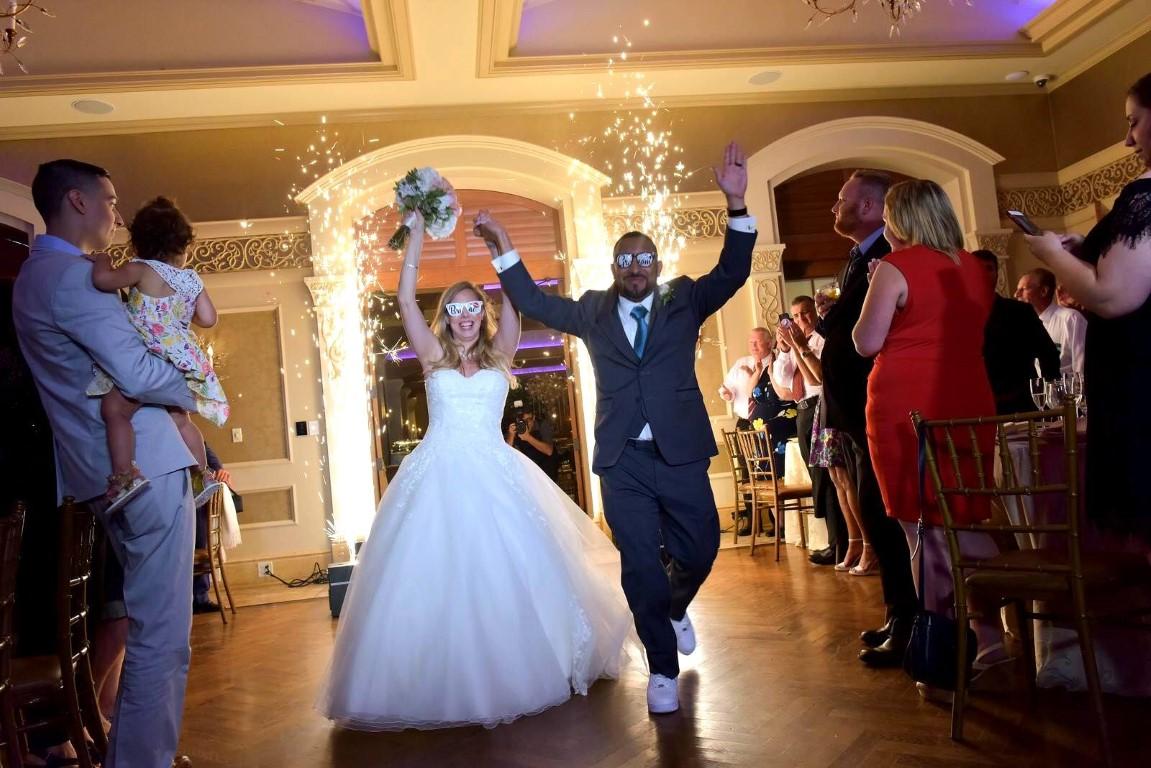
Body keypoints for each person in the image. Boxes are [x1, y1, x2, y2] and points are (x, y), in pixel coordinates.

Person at [317, 211, 633, 730]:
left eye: (472, 307)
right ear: (445, 315)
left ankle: (523, 665)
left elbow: (517, 299)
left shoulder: (501, 353)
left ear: (481, 313)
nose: (465, 315)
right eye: (455, 308)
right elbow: (403, 301)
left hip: (496, 474)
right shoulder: (432, 356)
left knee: (511, 574)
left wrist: (499, 247)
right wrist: (416, 237)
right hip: (435, 477)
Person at [490, 141, 755, 714]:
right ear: (614, 268)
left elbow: (734, 271)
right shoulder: (591, 310)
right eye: (625, 260)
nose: (635, 267)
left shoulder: (685, 298)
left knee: (701, 547)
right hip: (623, 459)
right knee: (638, 564)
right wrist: (505, 249)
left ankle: (675, 607)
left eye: (644, 259)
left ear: (656, 265)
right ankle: (662, 669)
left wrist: (735, 202)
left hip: (680, 451)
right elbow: (533, 299)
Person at [12, 159, 199, 766]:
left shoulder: (32, 277)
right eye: (111, 201)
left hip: (101, 471)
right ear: (78, 201)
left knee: (150, 629)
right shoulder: (70, 279)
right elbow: (138, 372)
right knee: (162, 637)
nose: (118, 214)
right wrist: (200, 384)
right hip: (145, 468)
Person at [853, 179, 1006, 680]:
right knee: (961, 518)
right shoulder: (974, 267)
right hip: (968, 397)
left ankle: (943, 649)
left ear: (899, 219)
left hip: (906, 404)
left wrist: (880, 282)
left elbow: (865, 342)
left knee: (921, 528)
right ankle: (990, 637)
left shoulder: (896, 266)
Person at [1024, 72, 1151, 549]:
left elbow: (1113, 297)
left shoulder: (1146, 196)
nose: (1128, 139)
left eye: (1134, 122)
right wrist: (1089, 248)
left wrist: (1050, 255)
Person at [820, 169, 918, 667]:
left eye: (842, 200)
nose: (833, 207)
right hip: (856, 411)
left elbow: (870, 335)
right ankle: (897, 613)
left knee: (885, 514)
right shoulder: (858, 258)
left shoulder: (887, 257)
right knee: (874, 511)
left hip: (876, 404)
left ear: (869, 208)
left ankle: (909, 622)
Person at [86, 196, 228, 511]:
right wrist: (181, 311)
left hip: (147, 355)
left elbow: (103, 281)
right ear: (183, 245)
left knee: (115, 411)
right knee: (181, 420)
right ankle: (202, 474)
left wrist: (101, 260)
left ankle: (125, 475)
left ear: (139, 244)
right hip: (179, 361)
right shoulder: (191, 279)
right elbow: (208, 319)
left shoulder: (140, 269)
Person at [770, 296, 847, 567]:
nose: (801, 319)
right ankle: (834, 540)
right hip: (803, 410)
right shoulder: (794, 344)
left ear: (814, 312)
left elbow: (819, 377)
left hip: (820, 405)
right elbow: (782, 379)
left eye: (805, 313)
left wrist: (799, 347)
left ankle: (839, 543)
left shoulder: (822, 339)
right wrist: (784, 349)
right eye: (795, 316)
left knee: (829, 478)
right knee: (819, 478)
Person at [971, 250, 1061, 414]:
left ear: (997, 274)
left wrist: (1049, 397)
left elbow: (1048, 354)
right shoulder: (961, 315)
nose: (983, 273)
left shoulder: (1020, 312)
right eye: (977, 268)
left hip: (1022, 402)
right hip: (980, 404)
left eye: (989, 268)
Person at [719, 327, 786, 535]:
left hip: (769, 424)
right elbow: (725, 388)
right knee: (747, 472)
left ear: (769, 342)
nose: (753, 346)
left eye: (757, 342)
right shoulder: (742, 363)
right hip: (745, 423)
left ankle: (777, 523)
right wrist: (727, 394)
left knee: (769, 471)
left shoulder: (777, 362)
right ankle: (752, 521)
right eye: (750, 342)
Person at [1015, 267, 1086, 378]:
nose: (1016, 295)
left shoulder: (1071, 319)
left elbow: (1082, 368)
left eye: (1023, 289)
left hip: (1067, 387)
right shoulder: (1023, 325)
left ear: (1043, 291)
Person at [504, 402, 558, 480]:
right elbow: (506, 457)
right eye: (523, 421)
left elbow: (549, 451)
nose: (526, 424)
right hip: (527, 475)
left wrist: (528, 438)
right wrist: (510, 436)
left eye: (528, 420)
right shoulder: (516, 428)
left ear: (534, 418)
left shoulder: (542, 425)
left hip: (546, 473)